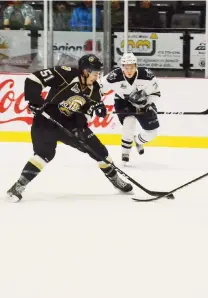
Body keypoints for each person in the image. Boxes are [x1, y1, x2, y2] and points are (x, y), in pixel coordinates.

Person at [6, 54, 133, 202]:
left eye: (98, 73)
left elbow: (86, 114)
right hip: (46, 119)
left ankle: (115, 180)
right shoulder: (66, 73)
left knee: (100, 152)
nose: (97, 76)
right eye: (95, 72)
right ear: (85, 71)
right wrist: (35, 100)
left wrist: (79, 129)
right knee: (44, 154)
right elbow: (34, 78)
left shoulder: (95, 90)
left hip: (71, 123)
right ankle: (18, 186)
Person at [99, 52, 160, 164]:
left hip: (143, 102)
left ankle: (137, 140)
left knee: (152, 132)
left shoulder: (147, 75)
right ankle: (125, 153)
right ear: (122, 67)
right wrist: (98, 104)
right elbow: (99, 90)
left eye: (131, 67)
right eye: (126, 68)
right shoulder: (113, 77)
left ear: (136, 66)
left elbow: (156, 93)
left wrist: (147, 102)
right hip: (123, 102)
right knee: (129, 122)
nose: (129, 71)